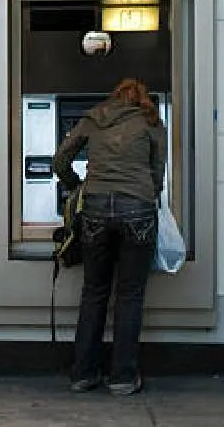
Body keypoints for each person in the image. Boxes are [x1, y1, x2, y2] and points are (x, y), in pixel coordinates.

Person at [52, 78, 167, 396]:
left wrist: (76, 185)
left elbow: (60, 160)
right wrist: (148, 194)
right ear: (142, 98)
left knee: (94, 292)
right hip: (138, 211)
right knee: (129, 296)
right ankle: (123, 378)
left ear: (114, 98)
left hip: (96, 210)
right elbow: (158, 171)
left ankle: (83, 374)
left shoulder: (94, 116)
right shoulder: (151, 120)